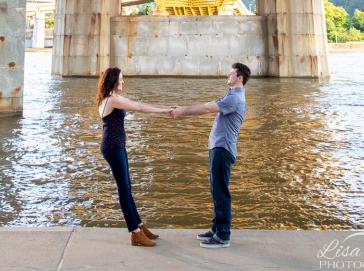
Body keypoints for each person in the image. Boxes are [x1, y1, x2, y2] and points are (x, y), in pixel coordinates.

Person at [171, 61, 251, 249]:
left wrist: (182, 111)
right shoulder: (232, 95)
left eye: (231, 73)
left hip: (223, 149)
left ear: (240, 78)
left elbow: (207, 108)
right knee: (216, 191)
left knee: (221, 192)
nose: (227, 75)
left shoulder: (235, 98)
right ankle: (216, 228)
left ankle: (223, 235)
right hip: (219, 148)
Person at [96, 66, 172, 247]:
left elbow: (138, 103)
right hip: (113, 147)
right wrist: (164, 111)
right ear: (113, 80)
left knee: (127, 186)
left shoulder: (110, 98)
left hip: (116, 146)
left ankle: (139, 225)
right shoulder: (112, 100)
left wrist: (166, 107)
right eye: (120, 79)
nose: (123, 81)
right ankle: (135, 232)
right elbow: (138, 107)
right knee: (124, 188)